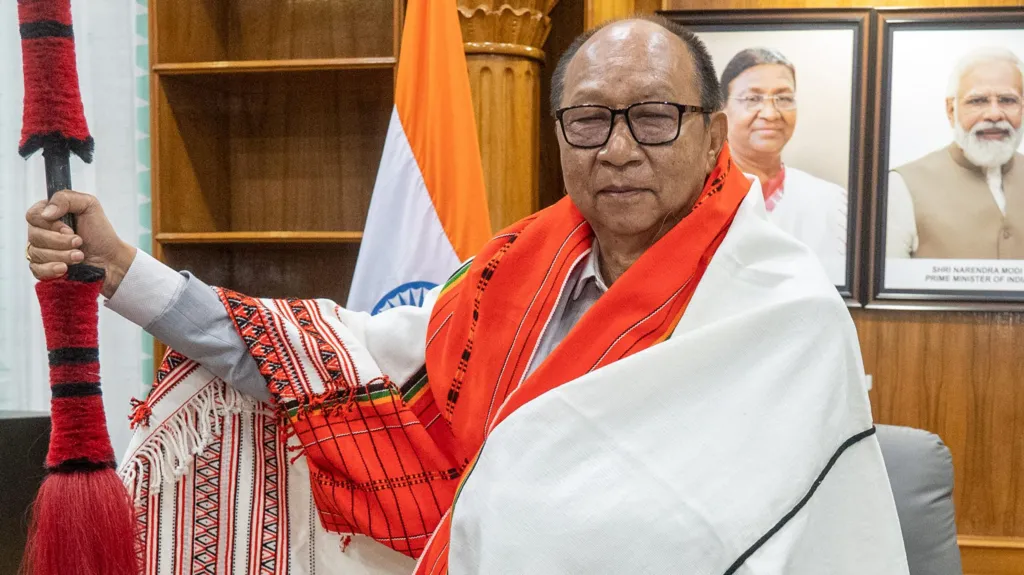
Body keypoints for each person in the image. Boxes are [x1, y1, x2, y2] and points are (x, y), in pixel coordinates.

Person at [24, 15, 909, 574]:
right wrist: (127, 273)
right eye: (590, 118)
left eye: (654, 116)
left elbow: (781, 532)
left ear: (712, 132)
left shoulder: (782, 309)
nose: (619, 147)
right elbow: (344, 359)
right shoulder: (516, 269)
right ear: (563, 134)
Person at [720, 48, 849, 285]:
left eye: (784, 99)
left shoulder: (833, 203)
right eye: (752, 99)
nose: (770, 114)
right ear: (722, 109)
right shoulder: (694, 197)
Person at [888, 47, 1024, 259]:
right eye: (977, 101)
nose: (995, 114)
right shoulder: (901, 186)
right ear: (951, 111)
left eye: (1008, 100)